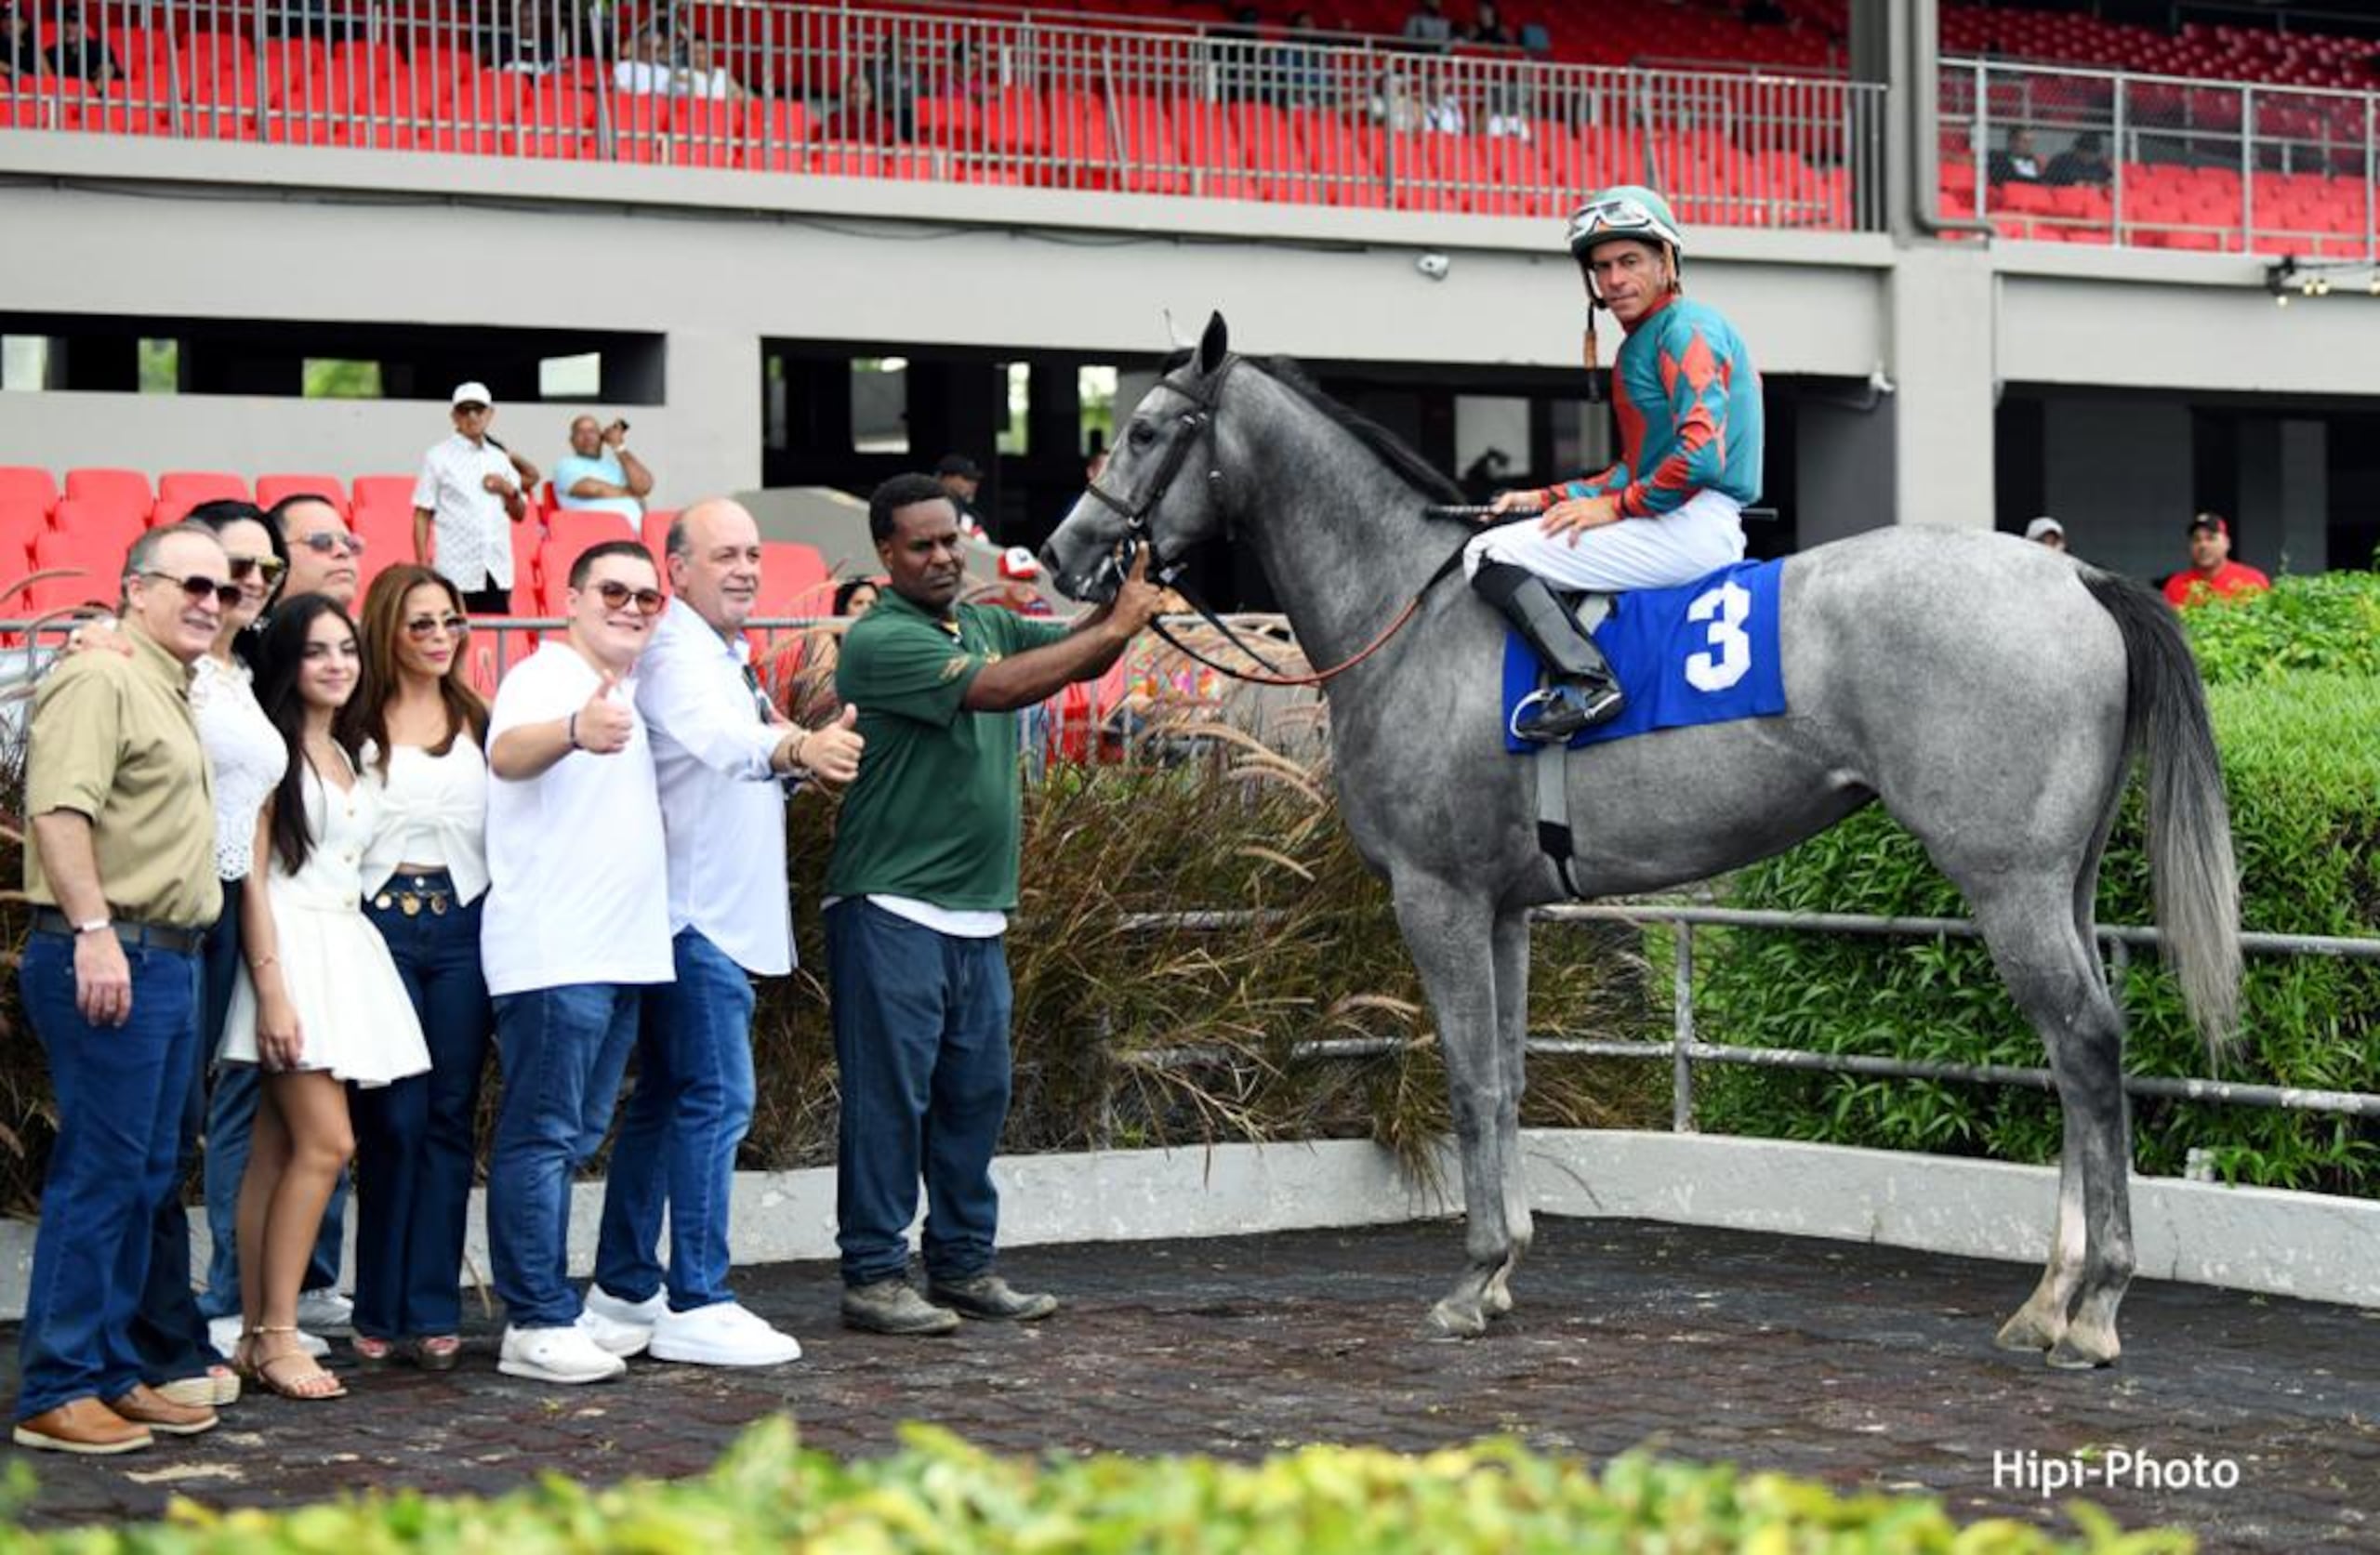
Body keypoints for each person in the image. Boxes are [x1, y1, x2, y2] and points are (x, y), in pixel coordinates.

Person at [823, 474, 1162, 1336]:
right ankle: (873, 1275)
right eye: (922, 545)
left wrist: (1125, 599)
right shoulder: (880, 639)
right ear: (886, 553)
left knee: (975, 1098)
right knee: (889, 1104)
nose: (943, 557)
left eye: (951, 541)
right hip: (891, 906)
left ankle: (963, 1265)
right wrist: (1115, 625)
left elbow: (1077, 650)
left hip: (977, 914)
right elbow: (1004, 688)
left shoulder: (982, 621)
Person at [582, 501, 863, 1366]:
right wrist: (796, 751)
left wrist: (796, 750)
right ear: (678, 570)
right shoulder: (675, 652)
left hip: (708, 919)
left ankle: (625, 1288)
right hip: (695, 920)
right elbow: (717, 738)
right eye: (724, 555)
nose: (745, 569)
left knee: (671, 1099)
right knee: (716, 1099)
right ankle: (697, 1298)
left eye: (752, 554)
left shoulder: (717, 653)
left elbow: (748, 740)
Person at [13, 524, 232, 1455]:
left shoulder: (162, 680)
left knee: (144, 1177)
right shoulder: (101, 674)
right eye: (193, 583)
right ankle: (56, 1388)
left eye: (225, 589)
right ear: (135, 588)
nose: (212, 601)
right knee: (103, 1174)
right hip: (116, 951)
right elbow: (58, 809)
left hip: (167, 957)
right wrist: (95, 930)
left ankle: (107, 1369)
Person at [218, 598, 431, 1402]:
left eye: (346, 648)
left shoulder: (351, 750)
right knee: (328, 1142)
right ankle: (278, 1331)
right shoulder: (270, 754)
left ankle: (253, 1333)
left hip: (344, 948)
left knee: (277, 1150)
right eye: (317, 651)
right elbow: (253, 880)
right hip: (289, 952)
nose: (338, 663)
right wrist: (272, 989)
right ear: (288, 662)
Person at [482, 541, 675, 1385]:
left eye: (646, 596)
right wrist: (572, 731)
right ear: (570, 599)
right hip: (557, 956)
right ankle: (535, 1319)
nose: (631, 606)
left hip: (617, 954)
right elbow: (506, 752)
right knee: (544, 1136)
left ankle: (549, 1313)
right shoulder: (546, 676)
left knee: (571, 1136)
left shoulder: (623, 689)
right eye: (613, 591)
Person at [1477, 185, 1761, 742]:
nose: (1614, 279)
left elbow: (1701, 457)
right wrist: (1543, 499)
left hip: (1690, 523)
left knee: (1487, 552)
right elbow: (1634, 471)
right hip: (1676, 517)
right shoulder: (1648, 340)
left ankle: (1588, 684)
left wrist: (1615, 508)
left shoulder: (1686, 329)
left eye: (1629, 261)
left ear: (1665, 261)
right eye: (1602, 267)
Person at [126, 502, 285, 1417]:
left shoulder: (239, 671)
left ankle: (164, 1330)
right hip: (161, 908)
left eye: (263, 569)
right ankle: (155, 1338)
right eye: (230, 568)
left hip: (222, 911)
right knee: (153, 1133)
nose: (247, 583)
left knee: (178, 1129)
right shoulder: (150, 662)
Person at [341, 566, 494, 1372]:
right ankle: (377, 1303)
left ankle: (434, 1307)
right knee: (391, 1118)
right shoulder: (353, 720)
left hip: (464, 924)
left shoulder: (477, 717)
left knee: (447, 1116)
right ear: (388, 630)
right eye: (421, 623)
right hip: (380, 927)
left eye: (450, 621)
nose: (440, 637)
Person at [413, 382, 538, 616]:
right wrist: (421, 562)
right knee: (453, 630)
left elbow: (519, 514)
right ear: (454, 416)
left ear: (490, 414)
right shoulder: (438, 456)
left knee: (497, 632)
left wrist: (508, 490)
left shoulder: (500, 458)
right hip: (454, 566)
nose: (472, 416)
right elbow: (422, 513)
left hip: (496, 565)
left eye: (478, 409)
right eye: (464, 410)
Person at [554, 415, 654, 528]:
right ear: (572, 441)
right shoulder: (566, 465)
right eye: (580, 432)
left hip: (634, 532)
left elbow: (644, 486)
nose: (587, 437)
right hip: (594, 532)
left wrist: (619, 447)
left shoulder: (614, 465)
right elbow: (591, 489)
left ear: (601, 437)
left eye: (592, 431)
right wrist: (631, 494)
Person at [2162, 514, 2270, 607]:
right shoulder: (2175, 586)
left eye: (2211, 538)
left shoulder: (2252, 580)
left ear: (2227, 543)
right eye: (2196, 539)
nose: (2203, 545)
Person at [45, 7, 123, 86]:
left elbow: (110, 71)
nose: (68, 27)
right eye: (64, 23)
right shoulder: (52, 53)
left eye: (74, 23)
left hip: (97, 92)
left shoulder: (98, 48)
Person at [934, 454, 990, 540]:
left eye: (975, 480)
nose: (973, 484)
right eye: (967, 478)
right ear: (947, 478)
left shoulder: (973, 516)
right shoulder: (928, 503)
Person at [2045, 131, 2112, 188]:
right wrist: (2071, 184)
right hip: (2065, 195)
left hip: (2093, 197)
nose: (2089, 156)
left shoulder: (2100, 166)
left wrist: (2096, 185)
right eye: (2085, 151)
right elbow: (2048, 182)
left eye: (2093, 153)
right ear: (2078, 150)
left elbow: (2109, 182)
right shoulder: (2061, 162)